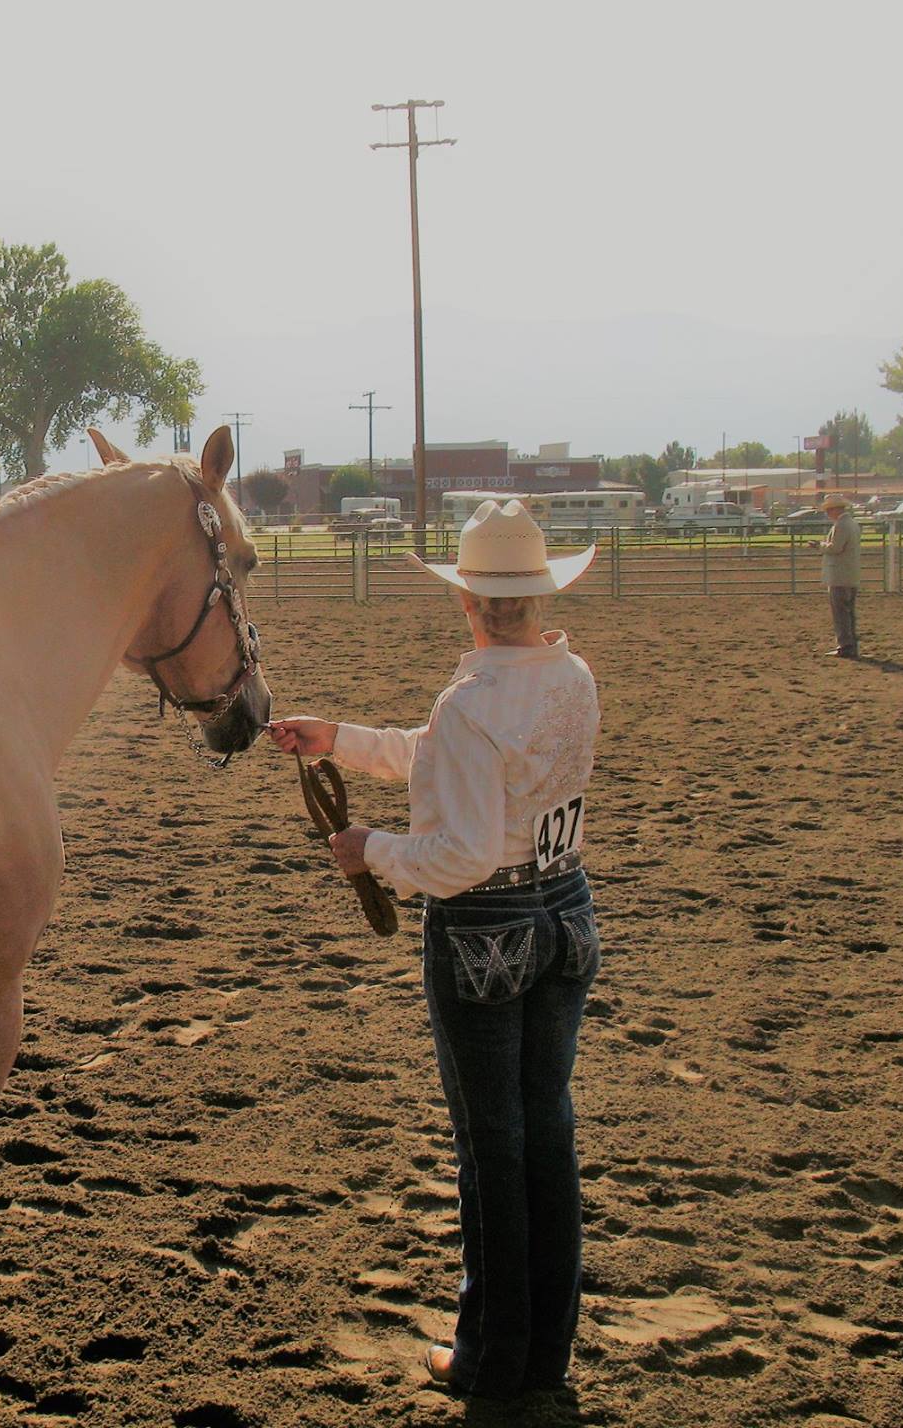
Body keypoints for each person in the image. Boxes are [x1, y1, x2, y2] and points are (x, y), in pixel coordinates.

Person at [269, 498, 602, 1402]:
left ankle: (491, 1353)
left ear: (467, 602)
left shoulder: (470, 706)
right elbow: (449, 763)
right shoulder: (572, 678)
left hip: (485, 932)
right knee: (548, 1132)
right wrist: (339, 738)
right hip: (564, 908)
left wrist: (369, 850)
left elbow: (455, 851)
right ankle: (546, 1347)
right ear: (535, 596)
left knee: (489, 1142)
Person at [819, 494, 860, 658]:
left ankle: (845, 645)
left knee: (840, 612)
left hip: (840, 575)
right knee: (848, 611)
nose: (828, 513)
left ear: (835, 509)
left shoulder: (841, 525)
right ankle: (850, 643)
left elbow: (835, 548)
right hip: (850, 574)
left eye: (829, 510)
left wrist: (820, 545)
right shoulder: (852, 524)